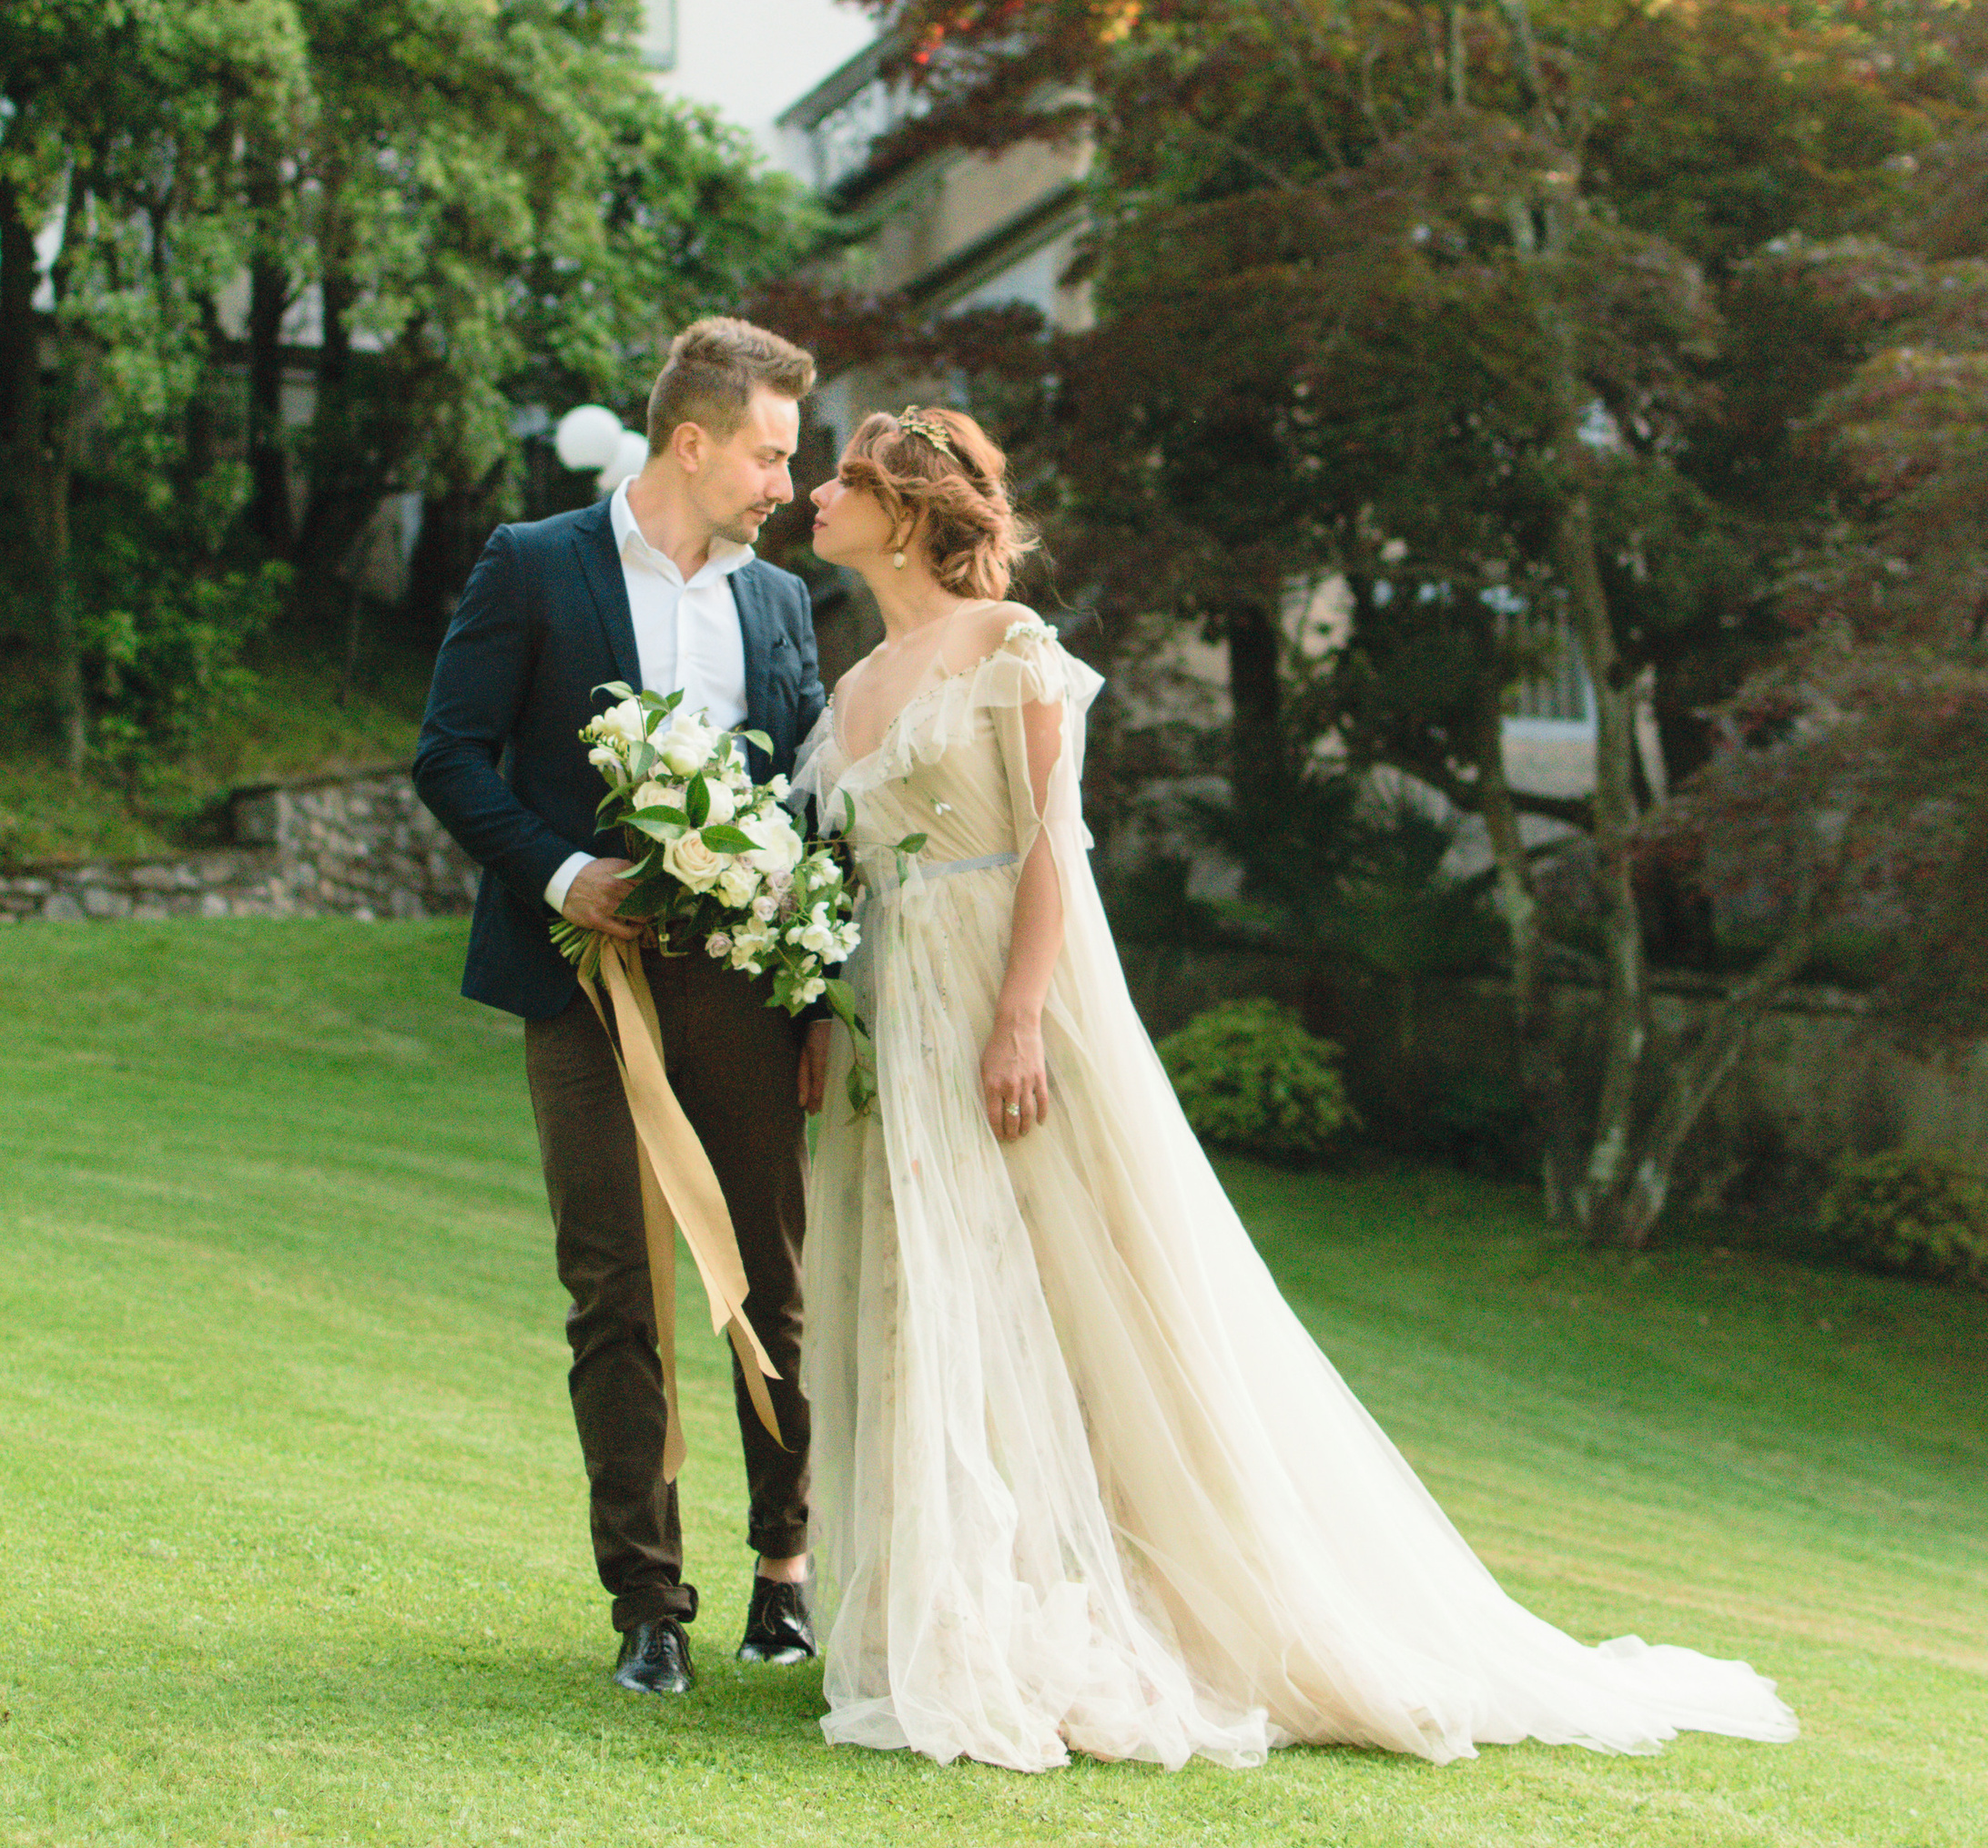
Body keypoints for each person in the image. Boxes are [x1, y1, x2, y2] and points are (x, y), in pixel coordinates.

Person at [796, 404, 1798, 1774]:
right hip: (896, 1016)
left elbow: (1052, 846)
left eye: (841, 479)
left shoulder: (1008, 647)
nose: (812, 494)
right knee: (940, 1298)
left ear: (906, 509)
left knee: (1084, 1288)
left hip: (1009, 1006)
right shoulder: (850, 690)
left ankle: (1155, 1598)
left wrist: (1022, 1012)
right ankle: (974, 1605)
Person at [416, 320, 830, 1700]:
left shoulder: (774, 602)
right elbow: (449, 754)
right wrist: (559, 867)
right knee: (614, 1287)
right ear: (694, 440)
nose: (788, 483)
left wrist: (818, 1002)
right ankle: (648, 1602)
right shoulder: (533, 565)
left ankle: (786, 1571)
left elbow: (812, 809)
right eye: (771, 453)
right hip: (580, 977)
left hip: (747, 985)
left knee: (770, 1279)